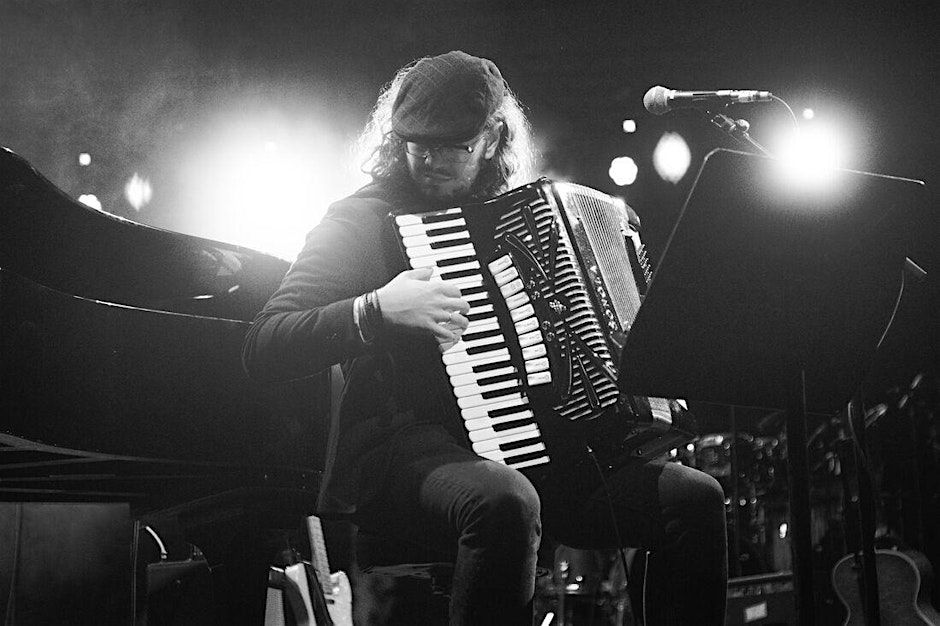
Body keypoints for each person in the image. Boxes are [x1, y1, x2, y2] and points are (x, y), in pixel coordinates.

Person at [242, 50, 727, 625]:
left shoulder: (518, 215)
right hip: (404, 447)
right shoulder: (361, 221)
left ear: (494, 137)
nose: (431, 159)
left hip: (539, 447)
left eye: (455, 145)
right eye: (417, 144)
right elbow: (264, 345)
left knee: (695, 500)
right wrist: (375, 310)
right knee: (505, 502)